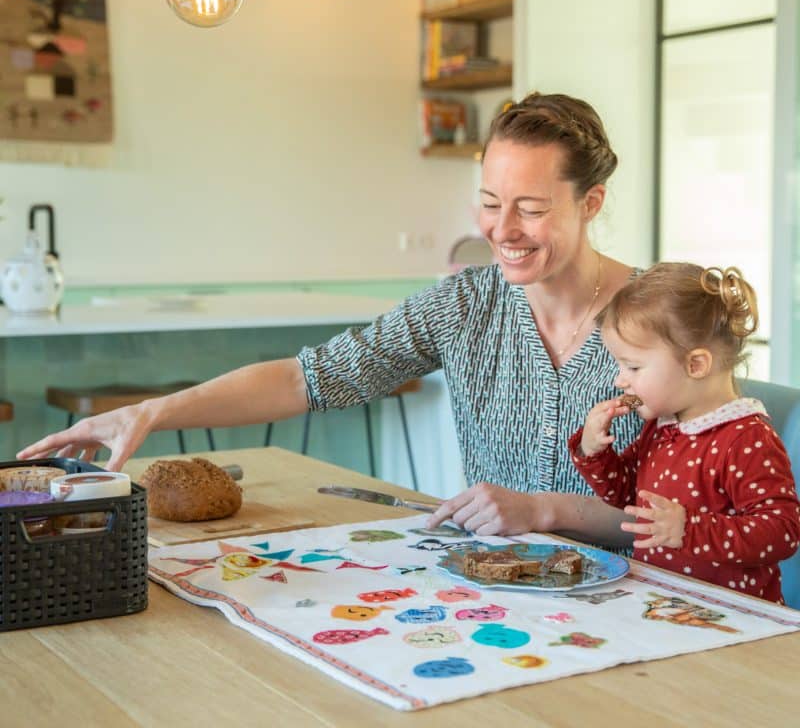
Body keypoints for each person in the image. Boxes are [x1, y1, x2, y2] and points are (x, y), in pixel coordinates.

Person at [18, 92, 642, 543]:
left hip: (649, 599)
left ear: (591, 203)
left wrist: (543, 510)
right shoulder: (464, 305)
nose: (501, 230)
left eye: (530, 208)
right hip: (505, 587)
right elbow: (306, 378)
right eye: (488, 203)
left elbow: (690, 518)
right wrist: (152, 412)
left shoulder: (663, 316)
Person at [569, 262, 800, 603]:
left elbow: (782, 532)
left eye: (633, 366)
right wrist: (594, 452)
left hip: (732, 617)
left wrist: (689, 529)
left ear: (696, 365)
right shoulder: (664, 427)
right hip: (664, 605)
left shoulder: (747, 438)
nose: (620, 380)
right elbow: (626, 495)